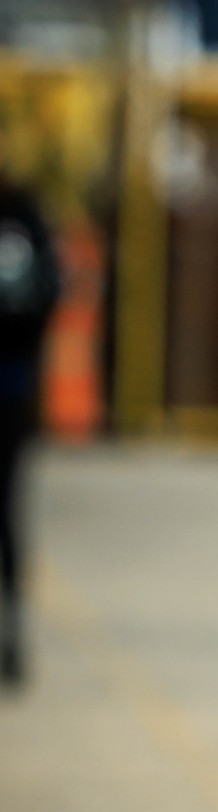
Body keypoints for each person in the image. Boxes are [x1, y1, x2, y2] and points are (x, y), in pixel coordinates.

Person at [0, 148, 60, 685]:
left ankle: (13, 634)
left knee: (8, 516)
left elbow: (50, 291)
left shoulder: (24, 215)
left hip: (11, 389)